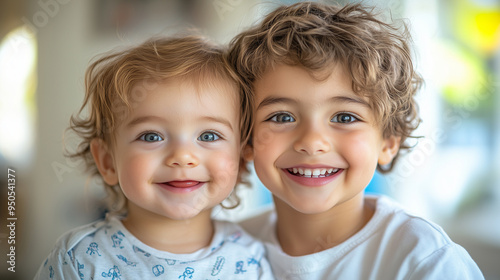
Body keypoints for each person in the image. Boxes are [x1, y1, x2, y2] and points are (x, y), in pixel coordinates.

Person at [228, 2, 484, 279]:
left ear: (388, 141)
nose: (313, 142)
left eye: (345, 118)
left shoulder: (425, 260)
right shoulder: (225, 248)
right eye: (281, 117)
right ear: (247, 139)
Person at [34, 35, 274, 279]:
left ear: (242, 158)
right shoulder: (78, 259)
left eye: (209, 136)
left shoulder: (249, 259)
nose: (182, 157)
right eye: (151, 136)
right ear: (107, 161)